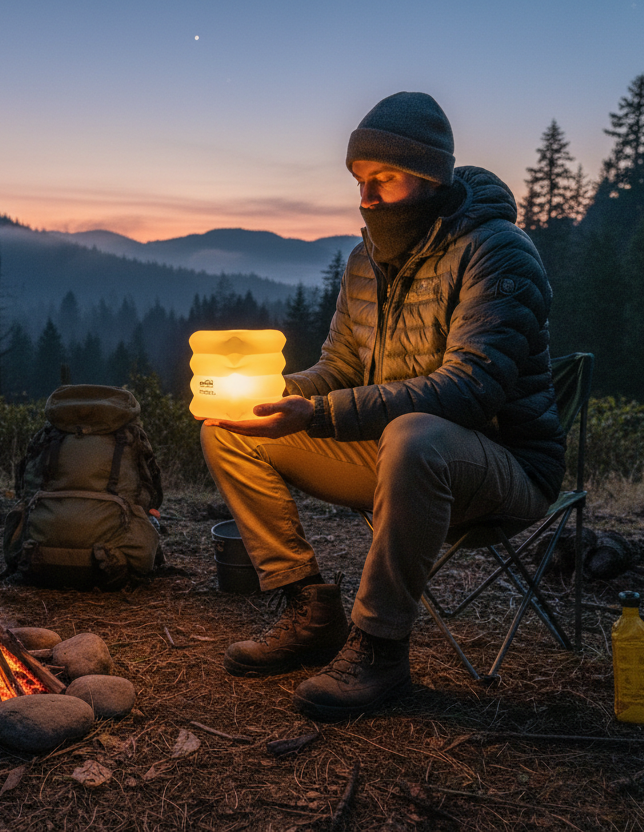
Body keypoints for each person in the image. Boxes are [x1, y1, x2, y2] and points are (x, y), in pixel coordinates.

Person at [199, 91, 565, 721]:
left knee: (417, 434)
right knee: (232, 431)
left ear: (431, 177)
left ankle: (380, 648)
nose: (366, 199)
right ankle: (309, 611)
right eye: (360, 181)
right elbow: (340, 367)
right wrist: (274, 391)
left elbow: (472, 389)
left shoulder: (499, 252)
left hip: (500, 465)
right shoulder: (366, 261)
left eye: (385, 180)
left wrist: (321, 415)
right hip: (398, 455)